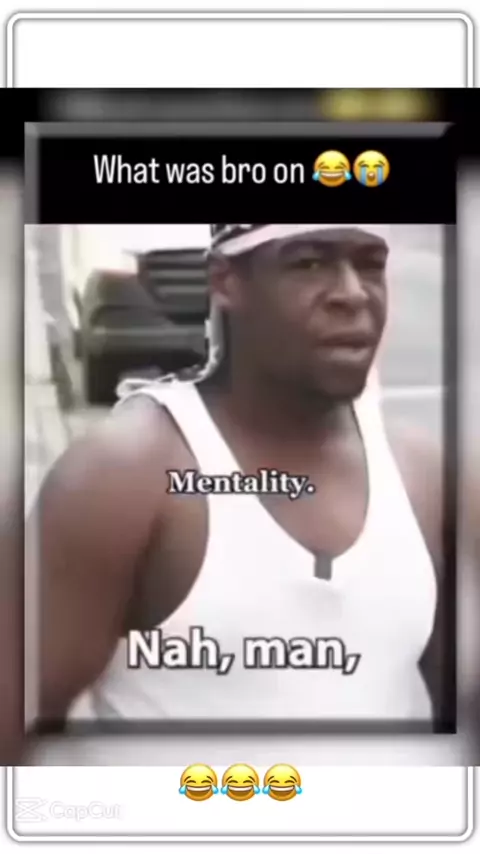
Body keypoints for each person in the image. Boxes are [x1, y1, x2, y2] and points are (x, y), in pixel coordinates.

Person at [19, 223, 462, 754]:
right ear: (225, 281)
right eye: (308, 263)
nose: (352, 293)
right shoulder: (123, 475)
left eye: (370, 264)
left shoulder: (423, 475)